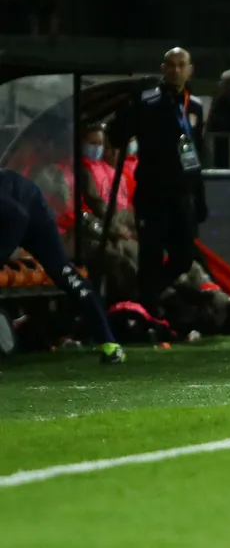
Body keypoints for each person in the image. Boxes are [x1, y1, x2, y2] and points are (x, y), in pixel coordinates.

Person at [109, 47, 208, 330]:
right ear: (162, 68)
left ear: (190, 69)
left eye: (181, 65)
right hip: (152, 190)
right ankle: (149, 310)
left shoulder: (196, 106)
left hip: (182, 192)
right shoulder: (147, 101)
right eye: (171, 65)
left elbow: (197, 155)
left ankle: (147, 295)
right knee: (150, 253)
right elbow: (117, 135)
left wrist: (200, 197)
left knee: (184, 256)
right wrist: (128, 110)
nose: (176, 70)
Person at [0, 169, 125, 363]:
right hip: (11, 219)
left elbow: (19, 217)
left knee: (66, 276)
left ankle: (110, 344)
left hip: (34, 217)